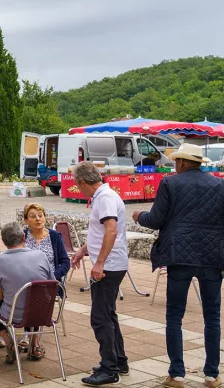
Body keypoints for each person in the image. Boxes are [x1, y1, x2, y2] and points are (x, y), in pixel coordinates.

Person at [132, 143, 224, 388]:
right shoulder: (221, 185)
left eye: (176, 161)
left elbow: (157, 219)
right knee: (212, 317)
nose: (174, 165)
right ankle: (212, 375)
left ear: (182, 162)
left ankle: (177, 374)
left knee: (174, 315)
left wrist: (139, 216)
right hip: (212, 257)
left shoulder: (170, 183)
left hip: (178, 256)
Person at [70, 161, 129, 386]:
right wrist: (83, 251)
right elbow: (100, 231)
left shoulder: (104, 198)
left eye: (78, 185)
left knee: (100, 317)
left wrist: (100, 263)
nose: (78, 189)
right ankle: (118, 360)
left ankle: (109, 368)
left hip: (109, 266)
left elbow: (111, 230)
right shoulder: (105, 196)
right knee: (109, 314)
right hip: (112, 263)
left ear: (83, 182)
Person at [0, 222, 54, 365]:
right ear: (24, 237)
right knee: (33, 299)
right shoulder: (41, 255)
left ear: (3, 241)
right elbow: (51, 284)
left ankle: (9, 342)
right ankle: (34, 344)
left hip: (15, 315)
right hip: (43, 312)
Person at [18, 203, 71, 360]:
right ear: (26, 220)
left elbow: (64, 262)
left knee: (39, 295)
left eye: (40, 215)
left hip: (50, 282)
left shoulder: (54, 236)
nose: (38, 219)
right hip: (25, 280)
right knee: (16, 291)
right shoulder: (22, 236)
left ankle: (32, 338)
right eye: (33, 216)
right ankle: (27, 335)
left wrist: (53, 276)